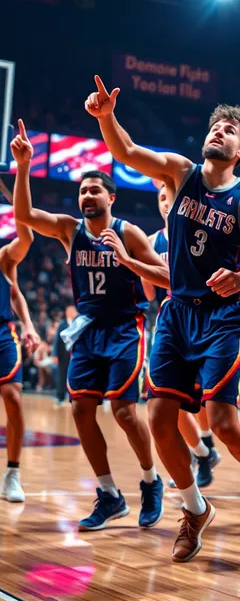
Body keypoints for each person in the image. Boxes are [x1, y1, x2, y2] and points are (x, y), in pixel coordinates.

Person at [85, 80, 240, 563]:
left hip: (221, 316)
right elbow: (127, 151)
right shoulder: (180, 171)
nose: (219, 132)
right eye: (215, 125)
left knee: (224, 422)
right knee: (159, 419)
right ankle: (195, 509)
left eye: (230, 129)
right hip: (175, 314)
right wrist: (106, 118)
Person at [11, 120, 170, 531]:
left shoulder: (129, 232)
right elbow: (25, 214)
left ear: (111, 197)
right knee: (82, 409)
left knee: (123, 410)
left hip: (125, 327)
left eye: (94, 190)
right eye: (82, 190)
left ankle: (151, 481)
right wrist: (24, 166)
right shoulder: (69, 231)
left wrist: (130, 260)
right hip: (88, 328)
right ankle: (109, 495)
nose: (86, 195)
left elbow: (165, 276)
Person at [142, 183, 221, 488]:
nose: (166, 203)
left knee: (202, 402)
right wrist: (144, 268)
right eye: (162, 198)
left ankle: (206, 446)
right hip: (169, 320)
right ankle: (202, 453)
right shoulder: (151, 242)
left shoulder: (197, 232)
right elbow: (149, 294)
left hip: (203, 318)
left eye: (171, 197)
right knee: (166, 402)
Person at [0, 223, 40, 502]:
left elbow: (26, 238)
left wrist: (28, 325)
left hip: (2, 333)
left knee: (13, 396)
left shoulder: (4, 256)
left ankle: (12, 473)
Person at [53, 305, 78, 408]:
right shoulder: (62, 324)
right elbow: (56, 341)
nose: (72, 312)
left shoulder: (78, 323)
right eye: (70, 310)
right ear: (67, 312)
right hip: (63, 354)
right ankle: (60, 397)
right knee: (61, 376)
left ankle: (73, 397)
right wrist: (55, 354)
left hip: (76, 354)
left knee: (74, 376)